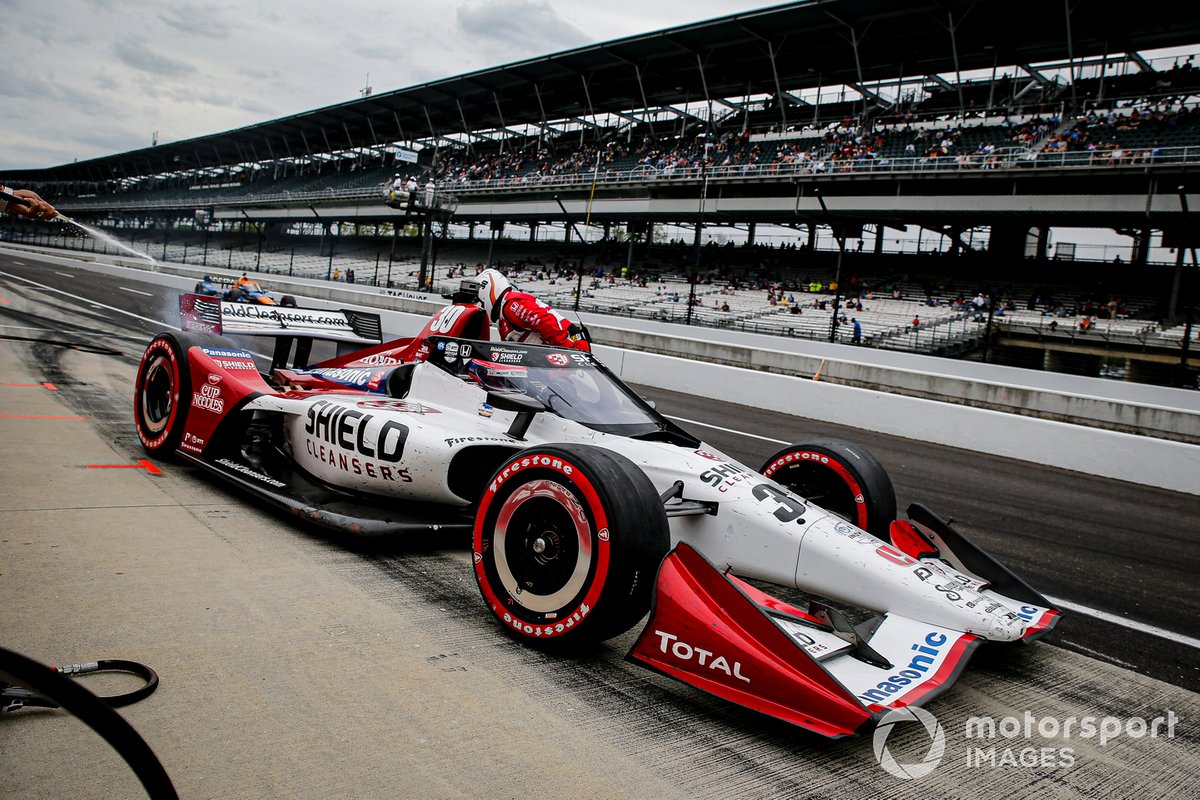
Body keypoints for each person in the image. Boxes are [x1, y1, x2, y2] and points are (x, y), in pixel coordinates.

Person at [476, 268, 590, 351]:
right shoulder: (505, 312)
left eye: (478, 299)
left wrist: (569, 350)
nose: (478, 304)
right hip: (557, 354)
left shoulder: (510, 304)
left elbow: (545, 321)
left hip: (570, 351)